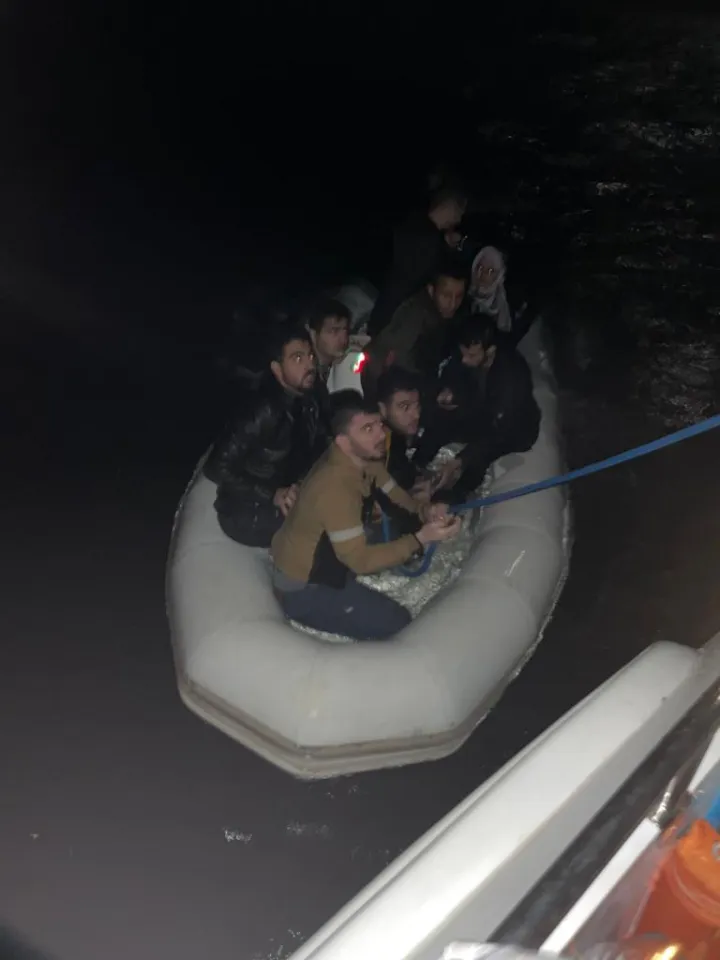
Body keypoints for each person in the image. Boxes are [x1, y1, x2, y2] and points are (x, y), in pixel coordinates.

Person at [270, 390, 462, 641]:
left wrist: (426, 511)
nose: (381, 435)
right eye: (368, 429)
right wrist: (421, 538)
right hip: (303, 588)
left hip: (327, 556)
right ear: (343, 441)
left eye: (379, 425)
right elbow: (359, 561)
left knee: (396, 535)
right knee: (400, 622)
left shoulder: (363, 458)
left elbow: (397, 497)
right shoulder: (335, 488)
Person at [204, 325, 329, 548]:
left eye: (310, 356)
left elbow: (316, 444)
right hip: (248, 511)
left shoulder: (310, 399)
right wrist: (273, 494)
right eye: (297, 358)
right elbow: (216, 467)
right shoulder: (262, 410)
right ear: (277, 368)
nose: (309, 365)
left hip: (290, 492)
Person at [414, 315, 541, 500]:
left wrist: (460, 460)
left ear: (490, 351)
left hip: (512, 428)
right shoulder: (468, 353)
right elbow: (453, 371)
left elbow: (496, 432)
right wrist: (449, 390)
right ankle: (415, 466)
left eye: (471, 355)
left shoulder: (511, 376)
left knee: (479, 456)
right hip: (482, 410)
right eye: (463, 353)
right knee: (442, 416)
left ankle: (455, 497)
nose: (465, 360)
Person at [368, 181, 468, 337]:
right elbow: (436, 276)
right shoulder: (430, 241)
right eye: (459, 213)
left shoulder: (411, 222)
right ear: (450, 207)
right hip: (399, 319)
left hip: (385, 306)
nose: (458, 220)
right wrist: (447, 247)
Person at [363, 261, 467, 392]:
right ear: (431, 290)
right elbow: (390, 360)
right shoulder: (414, 316)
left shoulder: (458, 315)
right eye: (446, 295)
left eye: (459, 296)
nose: (453, 304)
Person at [375, 366, 428, 497]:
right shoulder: (373, 445)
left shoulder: (396, 437)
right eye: (405, 407)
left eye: (417, 406)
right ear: (382, 409)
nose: (416, 415)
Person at [469, 246, 535, 347]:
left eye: (491, 271)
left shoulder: (511, 306)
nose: (483, 274)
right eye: (480, 267)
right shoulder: (462, 299)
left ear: (499, 274)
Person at [304, 297, 351, 383]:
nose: (344, 339)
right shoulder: (305, 374)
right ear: (313, 334)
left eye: (346, 330)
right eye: (334, 331)